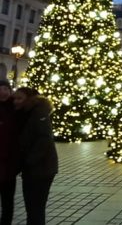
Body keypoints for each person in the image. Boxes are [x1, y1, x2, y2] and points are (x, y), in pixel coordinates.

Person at [14, 87, 58, 225]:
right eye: (14, 98)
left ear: (29, 99)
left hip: (41, 169)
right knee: (33, 208)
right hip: (35, 168)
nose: (16, 101)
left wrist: (29, 160)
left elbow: (45, 139)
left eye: (19, 98)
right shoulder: (26, 112)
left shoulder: (38, 113)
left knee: (35, 208)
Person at [0, 80, 18, 225]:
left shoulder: (16, 108)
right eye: (0, 89)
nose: (3, 92)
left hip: (9, 165)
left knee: (7, 201)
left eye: (6, 88)